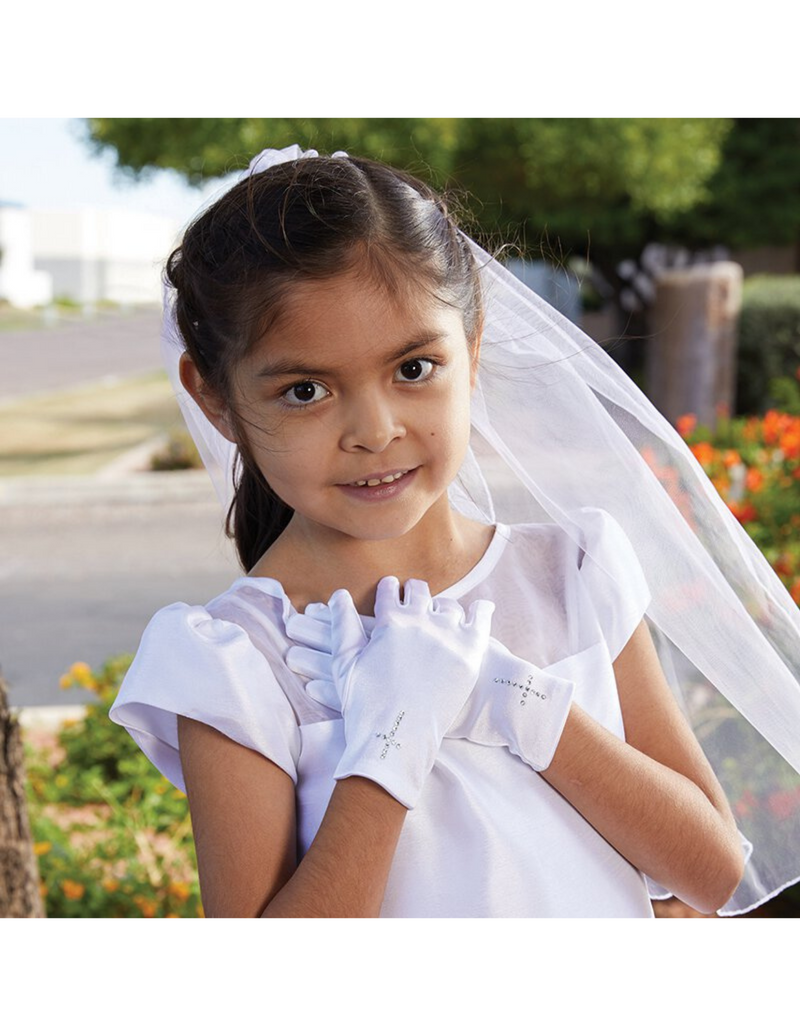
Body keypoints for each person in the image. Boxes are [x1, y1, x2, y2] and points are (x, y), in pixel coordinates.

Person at [110, 145, 800, 918]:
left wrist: (513, 699)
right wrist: (393, 743)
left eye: (412, 369)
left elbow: (710, 872)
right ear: (215, 399)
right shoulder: (236, 661)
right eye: (305, 390)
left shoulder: (570, 573)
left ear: (469, 351)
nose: (374, 432)